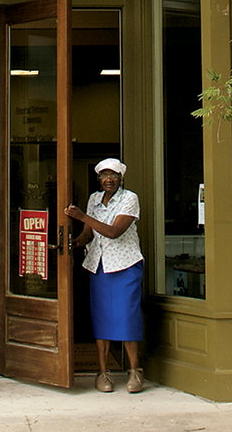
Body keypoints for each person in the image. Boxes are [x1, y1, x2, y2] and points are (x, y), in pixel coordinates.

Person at [64, 158, 145, 393]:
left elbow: (113, 231)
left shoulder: (129, 198)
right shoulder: (94, 199)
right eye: (103, 175)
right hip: (99, 266)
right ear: (98, 179)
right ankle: (103, 373)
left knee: (127, 317)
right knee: (102, 319)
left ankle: (135, 372)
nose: (108, 179)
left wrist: (81, 216)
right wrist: (72, 243)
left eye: (113, 175)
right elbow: (89, 234)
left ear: (121, 178)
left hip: (125, 266)